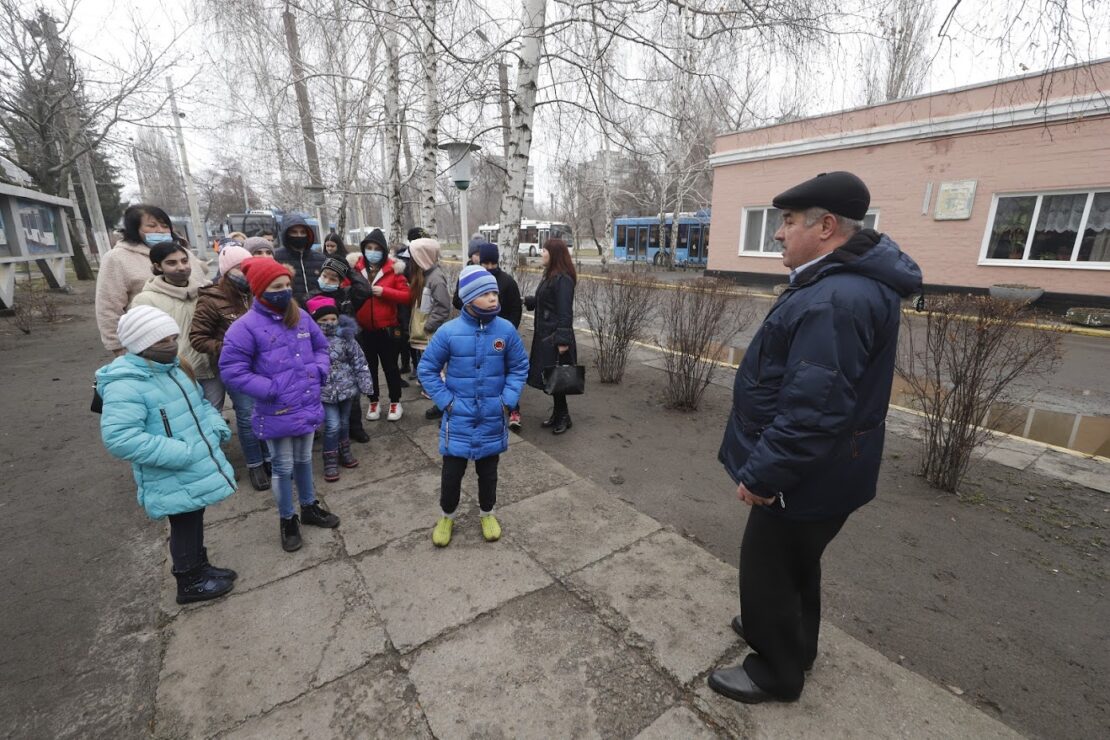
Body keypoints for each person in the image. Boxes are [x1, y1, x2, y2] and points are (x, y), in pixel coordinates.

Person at [709, 171, 922, 705]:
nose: (778, 233)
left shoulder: (837, 297)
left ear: (826, 227)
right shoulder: (840, 283)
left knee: (768, 566)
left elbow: (814, 410)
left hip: (805, 474)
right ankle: (795, 643)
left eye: (786, 221)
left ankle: (775, 672)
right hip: (829, 470)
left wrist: (763, 475)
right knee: (797, 562)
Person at [97, 305, 237, 604]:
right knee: (184, 523)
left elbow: (200, 403)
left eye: (173, 337)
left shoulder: (177, 367)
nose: (172, 345)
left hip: (192, 463)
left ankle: (201, 567)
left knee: (195, 515)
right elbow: (120, 438)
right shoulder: (126, 384)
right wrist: (180, 452)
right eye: (163, 341)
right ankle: (189, 582)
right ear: (140, 345)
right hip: (172, 468)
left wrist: (215, 427)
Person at [219, 258, 341, 552]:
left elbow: (320, 347)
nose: (285, 291)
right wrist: (269, 389)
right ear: (260, 290)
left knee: (303, 460)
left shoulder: (300, 316)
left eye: (287, 285)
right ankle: (288, 519)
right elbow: (232, 369)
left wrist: (320, 370)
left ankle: (309, 506)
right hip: (276, 409)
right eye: (277, 286)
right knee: (282, 466)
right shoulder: (245, 327)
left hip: (306, 402)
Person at [418, 265, 529, 547]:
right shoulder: (449, 332)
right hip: (458, 419)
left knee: (488, 473)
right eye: (486, 293)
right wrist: (446, 402)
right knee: (451, 474)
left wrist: (507, 399)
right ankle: (447, 516)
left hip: (492, 417)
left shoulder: (505, 330)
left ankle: (487, 513)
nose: (494, 298)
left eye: (495, 292)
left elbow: (518, 367)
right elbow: (427, 369)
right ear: (468, 299)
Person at [190, 245, 272, 491]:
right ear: (227, 271)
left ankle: (269, 458)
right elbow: (197, 337)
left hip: (262, 365)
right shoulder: (212, 299)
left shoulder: (257, 293)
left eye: (249, 268)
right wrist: (228, 347)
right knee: (246, 416)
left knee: (264, 412)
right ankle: (255, 464)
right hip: (236, 368)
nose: (246, 273)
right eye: (240, 268)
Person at [130, 240, 215, 407]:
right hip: (174, 373)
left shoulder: (205, 292)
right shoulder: (145, 300)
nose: (181, 267)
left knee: (214, 414)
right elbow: (143, 342)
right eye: (172, 263)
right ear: (158, 266)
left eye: (184, 261)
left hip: (212, 370)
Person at [453, 241, 524, 429]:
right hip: (473, 334)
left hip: (499, 338)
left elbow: (516, 309)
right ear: (479, 261)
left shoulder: (507, 281)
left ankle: (513, 408)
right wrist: (472, 314)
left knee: (505, 371)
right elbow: (457, 300)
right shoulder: (469, 279)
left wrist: (508, 331)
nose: (490, 268)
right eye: (486, 264)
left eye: (494, 264)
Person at [305, 295, 374, 482]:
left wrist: (365, 383)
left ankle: (344, 450)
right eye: (323, 320)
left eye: (332, 319)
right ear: (314, 322)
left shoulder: (346, 337)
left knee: (344, 423)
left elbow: (359, 361)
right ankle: (330, 457)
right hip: (324, 392)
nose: (329, 323)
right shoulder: (308, 342)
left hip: (346, 389)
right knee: (332, 425)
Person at [95, 204, 174, 355]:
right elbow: (108, 307)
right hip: (147, 345)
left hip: (187, 342)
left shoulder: (182, 253)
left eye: (164, 226)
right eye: (152, 226)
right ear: (134, 229)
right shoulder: (117, 258)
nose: (160, 230)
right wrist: (118, 348)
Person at [351, 229, 410, 422]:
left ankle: (395, 402)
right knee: (368, 369)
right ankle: (373, 401)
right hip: (363, 330)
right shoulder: (354, 269)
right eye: (369, 248)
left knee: (391, 367)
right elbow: (344, 291)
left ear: (383, 251)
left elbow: (407, 296)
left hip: (387, 329)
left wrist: (384, 291)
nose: (373, 251)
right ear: (363, 249)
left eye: (377, 248)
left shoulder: (394, 269)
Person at [524, 238, 577, 434]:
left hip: (556, 338)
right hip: (547, 336)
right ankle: (559, 414)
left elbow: (565, 312)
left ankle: (564, 416)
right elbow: (547, 301)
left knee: (558, 376)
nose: (541, 253)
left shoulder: (563, 279)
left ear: (554, 253)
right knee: (552, 377)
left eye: (544, 250)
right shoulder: (552, 276)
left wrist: (563, 341)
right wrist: (530, 301)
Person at [406, 237, 451, 420]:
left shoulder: (435, 278)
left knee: (435, 367)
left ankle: (443, 403)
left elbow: (443, 307)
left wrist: (428, 326)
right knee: (430, 364)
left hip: (430, 332)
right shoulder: (424, 275)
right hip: (424, 331)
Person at [273, 215, 327, 303]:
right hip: (290, 310)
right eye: (294, 232)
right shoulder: (276, 258)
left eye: (302, 232)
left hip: (318, 309)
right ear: (286, 234)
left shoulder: (321, 258)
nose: (299, 235)